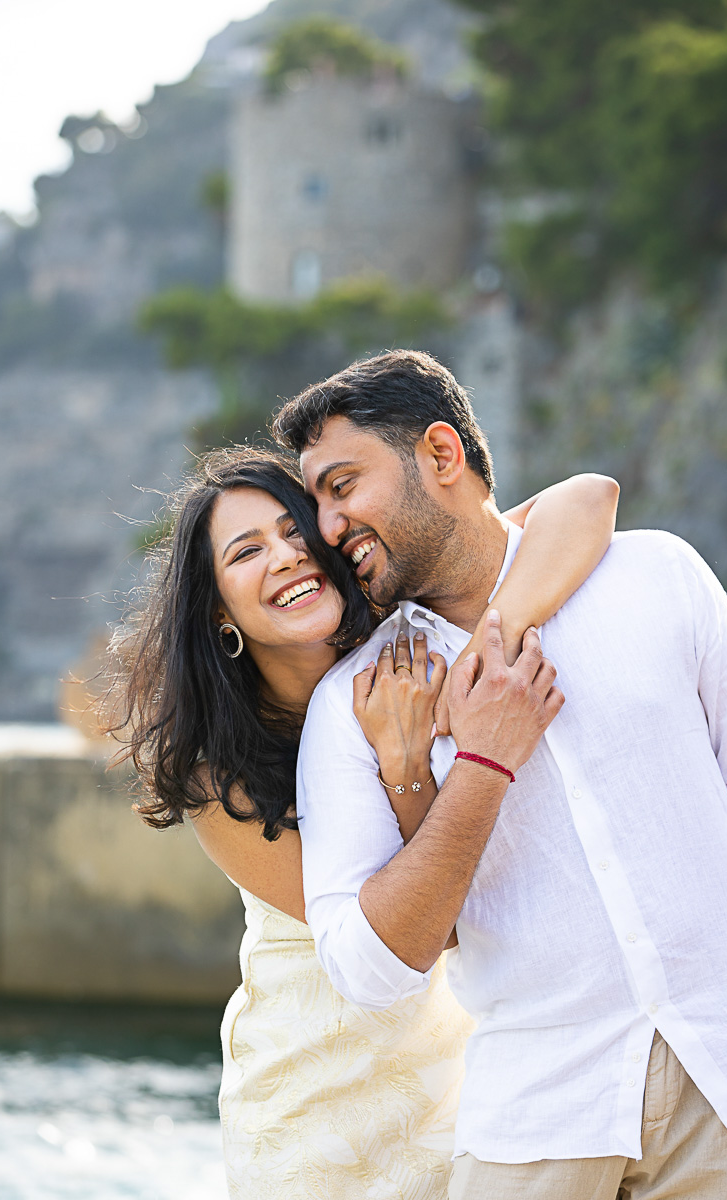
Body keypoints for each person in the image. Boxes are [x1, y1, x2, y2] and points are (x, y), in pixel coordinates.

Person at [272, 349, 727, 1200]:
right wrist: (473, 762)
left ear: (441, 455)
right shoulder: (357, 703)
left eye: (341, 486)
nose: (328, 529)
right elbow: (365, 969)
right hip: (543, 1110)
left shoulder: (657, 575)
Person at [105, 444, 619, 1200]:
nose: (285, 556)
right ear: (218, 612)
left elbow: (585, 496)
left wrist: (483, 649)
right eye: (249, 551)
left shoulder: (406, 629)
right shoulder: (220, 775)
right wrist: (403, 763)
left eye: (294, 530)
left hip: (472, 1073)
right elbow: (417, 928)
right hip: (321, 1106)